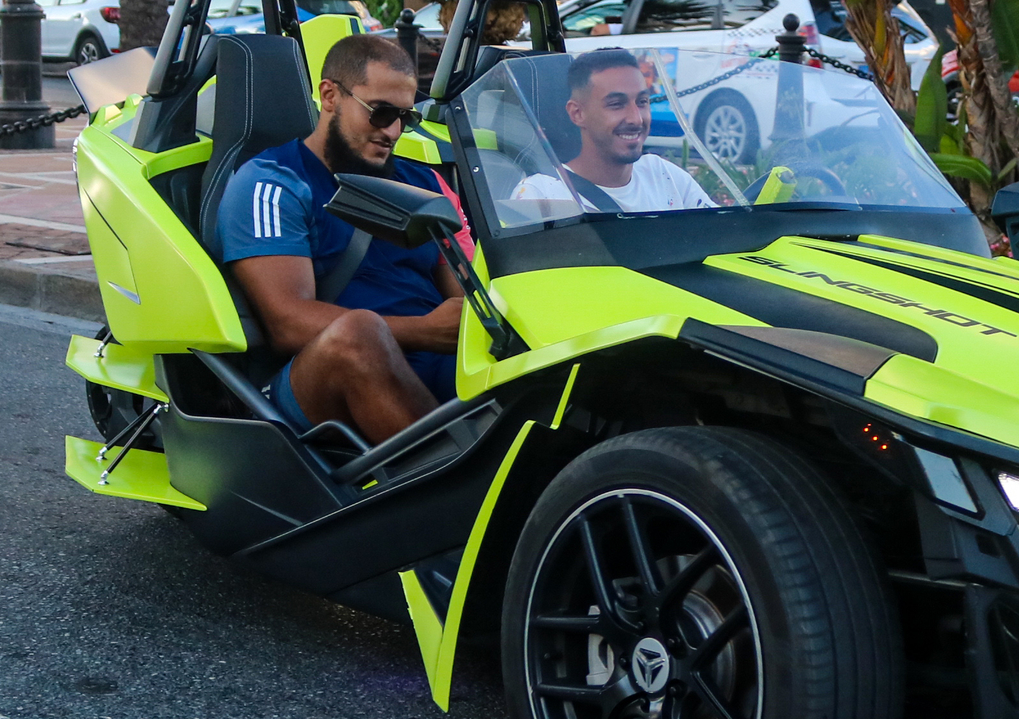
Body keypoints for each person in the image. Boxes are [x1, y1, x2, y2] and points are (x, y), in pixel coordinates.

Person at [215, 34, 464, 443]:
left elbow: (466, 294)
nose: (395, 132)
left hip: (430, 362)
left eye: (407, 117)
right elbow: (288, 323)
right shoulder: (272, 183)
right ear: (329, 95)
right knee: (357, 335)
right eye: (381, 113)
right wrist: (422, 330)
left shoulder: (425, 183)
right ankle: (449, 482)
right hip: (317, 377)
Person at [511, 46, 716, 213]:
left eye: (642, 102)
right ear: (577, 113)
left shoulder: (664, 176)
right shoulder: (542, 194)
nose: (636, 118)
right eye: (616, 104)